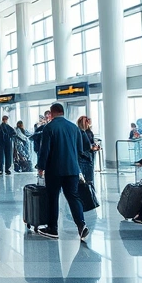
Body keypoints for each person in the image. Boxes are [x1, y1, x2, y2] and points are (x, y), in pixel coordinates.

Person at [36, 103, 89, 241]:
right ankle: (81, 225)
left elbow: (45, 150)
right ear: (63, 112)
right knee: (73, 196)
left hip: (54, 169)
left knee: (53, 198)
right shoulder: (74, 128)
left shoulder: (49, 127)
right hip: (72, 169)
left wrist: (41, 167)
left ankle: (53, 229)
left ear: (51, 113)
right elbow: (79, 150)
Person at [76, 116, 99, 185]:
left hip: (86, 156)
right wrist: (92, 147)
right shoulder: (82, 132)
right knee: (88, 178)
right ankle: (88, 192)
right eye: (86, 121)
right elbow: (87, 145)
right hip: (85, 157)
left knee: (86, 177)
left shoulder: (86, 132)